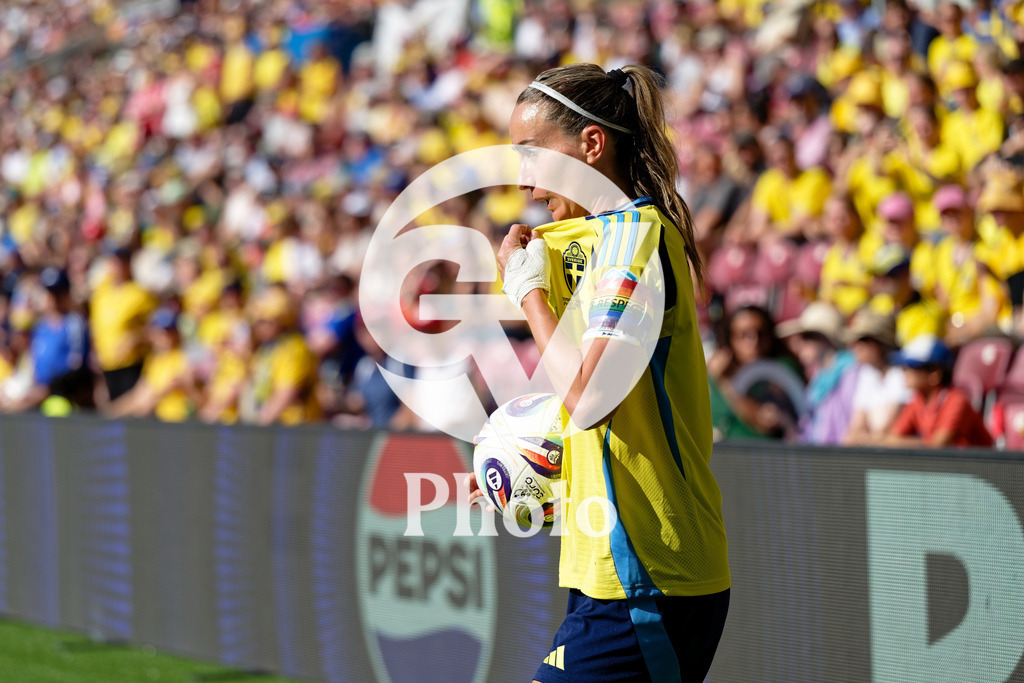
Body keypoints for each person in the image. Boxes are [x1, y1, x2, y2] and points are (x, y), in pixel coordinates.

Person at [470, 64, 730, 682]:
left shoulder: (634, 240)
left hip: (651, 575)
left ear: (592, 144)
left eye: (532, 153)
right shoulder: (603, 241)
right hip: (613, 575)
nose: (525, 181)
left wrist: (529, 293)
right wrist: (530, 472)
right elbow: (607, 418)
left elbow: (589, 400)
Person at [707, 305, 805, 440]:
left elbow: (766, 422)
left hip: (760, 451)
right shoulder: (717, 370)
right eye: (744, 335)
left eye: (761, 333)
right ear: (730, 340)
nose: (754, 341)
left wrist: (725, 382)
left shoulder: (782, 369)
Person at [884, 335, 994, 447]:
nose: (904, 372)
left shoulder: (956, 401)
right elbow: (893, 437)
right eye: (904, 367)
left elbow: (938, 445)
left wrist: (900, 442)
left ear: (934, 375)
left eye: (911, 367)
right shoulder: (918, 400)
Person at [777, 301, 859, 445]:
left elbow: (845, 430)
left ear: (824, 338)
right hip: (820, 455)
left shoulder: (851, 374)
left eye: (806, 337)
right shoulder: (819, 378)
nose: (798, 344)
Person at [843, 308, 912, 444]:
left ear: (878, 344)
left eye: (863, 341)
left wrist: (865, 439)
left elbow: (887, 430)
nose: (855, 347)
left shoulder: (900, 374)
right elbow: (856, 427)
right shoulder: (866, 374)